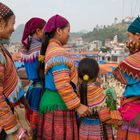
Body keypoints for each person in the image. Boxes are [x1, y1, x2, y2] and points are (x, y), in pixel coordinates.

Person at [37, 14, 91, 140]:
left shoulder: (50, 49)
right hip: (59, 105)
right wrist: (78, 105)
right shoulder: (58, 52)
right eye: (68, 31)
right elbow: (62, 84)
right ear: (59, 31)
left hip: (52, 102)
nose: (69, 35)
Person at [0, 2, 30, 140]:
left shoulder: (2, 49)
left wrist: (22, 98)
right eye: (12, 23)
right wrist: (14, 129)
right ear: (1, 23)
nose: (13, 28)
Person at [113, 17, 140, 140]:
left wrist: (132, 54)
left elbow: (119, 75)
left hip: (134, 112)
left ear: (138, 35)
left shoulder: (135, 59)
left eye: (130, 36)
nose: (129, 40)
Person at [19, 17, 46, 138]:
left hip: (31, 89)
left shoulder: (25, 48)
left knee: (31, 121)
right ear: (38, 30)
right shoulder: (41, 48)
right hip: (40, 90)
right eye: (44, 30)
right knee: (39, 125)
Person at [78, 57, 113, 140]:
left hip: (83, 127)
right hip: (98, 129)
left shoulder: (77, 91)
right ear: (96, 74)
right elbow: (107, 113)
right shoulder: (102, 93)